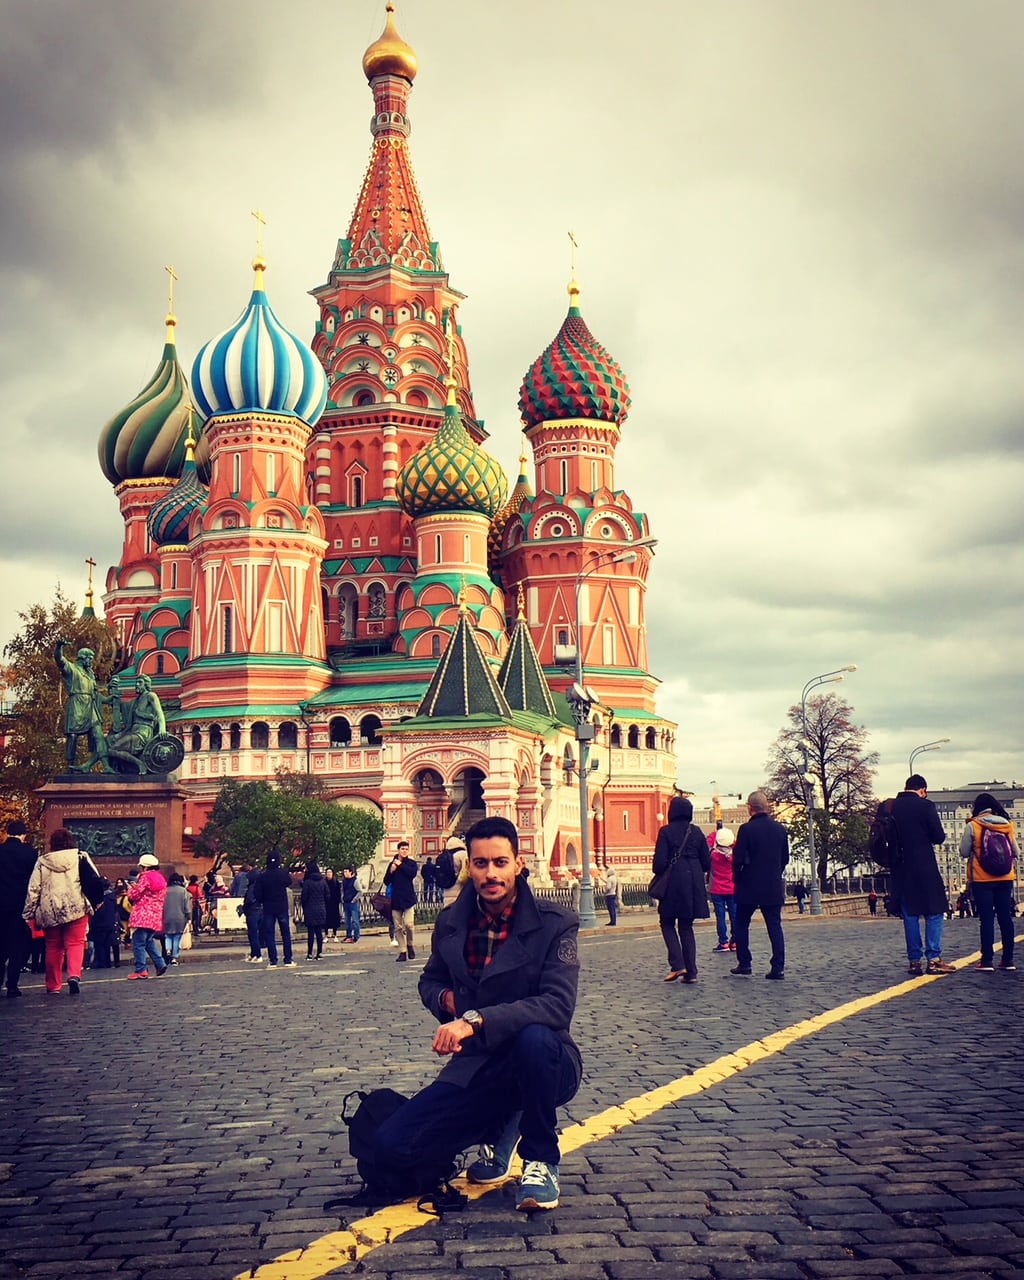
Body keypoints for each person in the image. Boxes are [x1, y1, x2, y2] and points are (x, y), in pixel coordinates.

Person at [372, 815, 582, 1213]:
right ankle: (499, 1123)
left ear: (518, 864)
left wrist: (475, 1020)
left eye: (500, 862)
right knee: (392, 1147)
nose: (490, 874)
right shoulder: (452, 922)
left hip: (547, 1064)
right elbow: (429, 982)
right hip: (479, 1066)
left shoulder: (555, 924)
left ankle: (540, 1158)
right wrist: (447, 1001)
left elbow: (557, 1005)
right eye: (481, 863)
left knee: (533, 1040)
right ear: (469, 865)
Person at [887, 774, 951, 976]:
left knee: (910, 914)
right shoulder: (926, 806)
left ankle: (914, 962)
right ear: (923, 790)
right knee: (934, 911)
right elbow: (938, 837)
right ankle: (934, 959)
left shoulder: (891, 807)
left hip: (901, 868)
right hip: (924, 866)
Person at [22, 828, 95, 995]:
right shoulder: (80, 857)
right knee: (75, 943)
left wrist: (29, 912)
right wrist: (94, 903)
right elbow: (93, 880)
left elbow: (34, 888)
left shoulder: (42, 861)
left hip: (51, 909)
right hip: (76, 906)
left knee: (53, 946)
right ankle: (74, 974)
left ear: (52, 843)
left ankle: (53, 985)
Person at [731, 790, 790, 980]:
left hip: (748, 885)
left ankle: (745, 963)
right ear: (767, 807)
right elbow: (785, 858)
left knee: (741, 924)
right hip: (772, 885)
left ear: (750, 808)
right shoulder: (780, 830)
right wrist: (774, 873)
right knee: (774, 926)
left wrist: (738, 878)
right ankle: (778, 967)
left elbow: (737, 859)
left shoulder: (746, 830)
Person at [652, 796, 710, 983]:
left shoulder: (666, 832)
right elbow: (707, 862)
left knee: (667, 922)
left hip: (673, 883)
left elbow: (659, 865)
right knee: (686, 926)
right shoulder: (697, 831)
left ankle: (678, 965)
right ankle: (691, 972)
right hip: (693, 883)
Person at [960, 792, 1018, 972]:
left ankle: (986, 961)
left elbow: (963, 852)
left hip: (982, 879)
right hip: (1005, 878)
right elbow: (1015, 852)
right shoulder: (1007, 825)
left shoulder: (974, 825)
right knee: (1005, 918)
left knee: (986, 919)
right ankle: (1008, 960)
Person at [54, 641, 110, 771]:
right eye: (89, 658)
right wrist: (59, 647)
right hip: (77, 704)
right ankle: (70, 765)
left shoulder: (90, 674)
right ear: (82, 658)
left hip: (90, 706)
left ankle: (106, 766)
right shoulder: (72, 669)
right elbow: (60, 659)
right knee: (73, 735)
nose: (91, 661)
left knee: (99, 734)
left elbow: (96, 693)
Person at [0, 819, 38, 998]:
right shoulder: (31, 853)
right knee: (19, 946)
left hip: (1, 906)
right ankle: (12, 984)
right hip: (21, 906)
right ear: (24, 835)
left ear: (7, 833)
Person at [127, 853, 168, 979]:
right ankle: (160, 964)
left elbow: (134, 895)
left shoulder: (145, 878)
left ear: (144, 867)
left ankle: (141, 969)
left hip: (143, 915)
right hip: (155, 915)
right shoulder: (161, 878)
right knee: (149, 941)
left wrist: (131, 889)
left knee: (138, 943)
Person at [255, 850, 295, 967]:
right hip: (281, 906)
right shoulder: (282, 873)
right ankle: (288, 959)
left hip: (268, 907)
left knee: (269, 934)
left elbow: (257, 893)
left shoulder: (263, 876)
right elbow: (289, 882)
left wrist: (263, 900)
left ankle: (273, 960)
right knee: (285, 933)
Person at [384, 841, 418, 962]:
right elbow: (386, 881)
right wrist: (391, 871)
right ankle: (402, 951)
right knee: (397, 927)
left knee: (409, 924)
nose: (404, 851)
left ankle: (410, 944)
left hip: (408, 899)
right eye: (402, 849)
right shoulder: (392, 864)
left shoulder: (411, 863)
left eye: (406, 849)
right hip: (396, 899)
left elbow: (412, 873)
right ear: (398, 850)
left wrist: (400, 865)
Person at [707, 827, 737, 953]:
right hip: (732, 888)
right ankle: (735, 941)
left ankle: (723, 942)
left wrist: (716, 832)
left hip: (717, 889)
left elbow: (708, 842)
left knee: (720, 917)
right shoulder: (734, 855)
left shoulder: (713, 855)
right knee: (734, 916)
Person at [88, 879, 120, 969]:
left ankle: (101, 963)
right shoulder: (112, 896)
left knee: (99, 945)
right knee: (107, 945)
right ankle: (107, 962)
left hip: (99, 924)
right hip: (110, 923)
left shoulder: (99, 897)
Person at [301, 862, 330, 960]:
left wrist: (305, 906)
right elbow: (327, 896)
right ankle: (320, 952)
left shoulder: (308, 882)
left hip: (310, 909)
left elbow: (304, 897)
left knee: (311, 933)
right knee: (319, 932)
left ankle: (309, 953)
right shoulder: (323, 881)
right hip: (321, 908)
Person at [162, 872, 191, 965]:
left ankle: (168, 950)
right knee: (177, 937)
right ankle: (174, 957)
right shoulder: (183, 891)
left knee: (168, 935)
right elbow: (187, 907)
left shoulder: (164, 891)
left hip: (166, 916)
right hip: (180, 917)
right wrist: (189, 917)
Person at [342, 865, 361, 943]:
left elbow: (360, 891)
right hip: (346, 902)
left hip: (353, 903)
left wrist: (354, 899)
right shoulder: (344, 881)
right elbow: (342, 890)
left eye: (346, 872)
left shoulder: (355, 881)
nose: (345, 873)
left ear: (350, 872)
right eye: (344, 872)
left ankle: (356, 936)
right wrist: (342, 897)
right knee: (347, 921)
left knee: (355, 921)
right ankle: (348, 935)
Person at [324, 867, 342, 938]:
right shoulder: (323, 882)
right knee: (326, 919)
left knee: (334, 919)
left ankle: (335, 934)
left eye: (330, 872)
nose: (329, 874)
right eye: (327, 872)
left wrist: (338, 900)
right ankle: (326, 934)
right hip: (326, 903)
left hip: (334, 903)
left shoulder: (336, 882)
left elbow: (338, 892)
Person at [602, 862, 620, 926]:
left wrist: (604, 891)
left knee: (610, 909)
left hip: (609, 895)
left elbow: (608, 887)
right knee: (613, 909)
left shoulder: (609, 879)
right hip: (613, 893)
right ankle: (614, 921)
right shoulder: (615, 878)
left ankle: (612, 921)